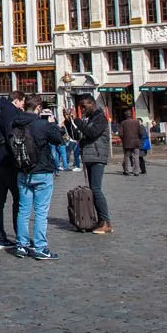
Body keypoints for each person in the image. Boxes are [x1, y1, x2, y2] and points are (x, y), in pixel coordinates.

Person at [12, 95, 65, 260]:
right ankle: (40, 247)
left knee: (23, 210)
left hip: (22, 170)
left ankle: (22, 245)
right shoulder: (42, 125)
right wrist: (53, 125)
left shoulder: (16, 124)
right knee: (41, 211)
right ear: (38, 108)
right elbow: (59, 140)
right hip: (41, 171)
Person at [0, 91, 25, 250]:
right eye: (22, 102)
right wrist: (18, 158)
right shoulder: (10, 111)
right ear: (16, 100)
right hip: (6, 160)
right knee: (18, 198)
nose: (22, 106)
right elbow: (11, 136)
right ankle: (19, 235)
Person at [74, 94, 113, 234]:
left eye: (84, 107)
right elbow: (81, 135)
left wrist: (78, 121)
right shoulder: (90, 118)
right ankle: (100, 220)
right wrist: (70, 122)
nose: (83, 110)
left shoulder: (100, 117)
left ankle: (106, 222)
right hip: (89, 156)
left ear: (91, 103)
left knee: (96, 189)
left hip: (97, 156)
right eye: (81, 107)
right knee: (92, 189)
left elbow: (92, 132)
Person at [119, 110, 142, 176]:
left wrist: (123, 139)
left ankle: (127, 170)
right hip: (135, 142)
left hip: (127, 143)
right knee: (136, 157)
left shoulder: (123, 123)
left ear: (125, 116)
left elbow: (120, 134)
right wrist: (138, 138)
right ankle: (136, 171)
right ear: (131, 115)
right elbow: (140, 132)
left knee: (126, 157)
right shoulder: (136, 122)